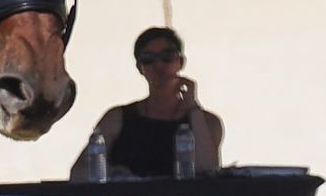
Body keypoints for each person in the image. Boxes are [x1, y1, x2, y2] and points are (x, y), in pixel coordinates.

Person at [69, 26, 225, 180]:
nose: (159, 66)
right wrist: (113, 175)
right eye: (148, 59)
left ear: (181, 61)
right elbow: (78, 172)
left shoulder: (208, 122)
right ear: (139, 67)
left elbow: (209, 173)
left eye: (167, 56)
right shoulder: (117, 118)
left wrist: (193, 109)